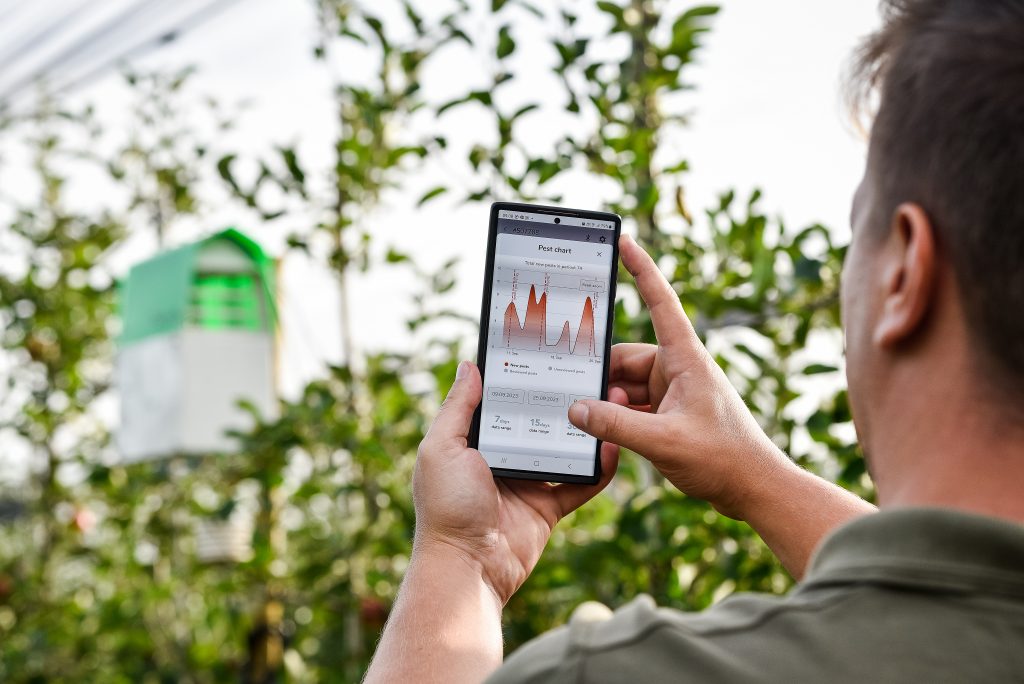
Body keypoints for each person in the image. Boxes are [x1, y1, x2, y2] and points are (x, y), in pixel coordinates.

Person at [365, 0, 1024, 681]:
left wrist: (460, 556)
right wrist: (756, 476)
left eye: (861, 230)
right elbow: (948, 590)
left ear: (904, 273)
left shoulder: (625, 673)